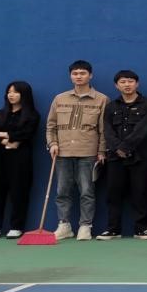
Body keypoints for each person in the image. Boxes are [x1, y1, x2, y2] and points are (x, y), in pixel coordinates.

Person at [46, 60, 108, 241]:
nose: (78, 76)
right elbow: (50, 126)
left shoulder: (102, 99)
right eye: (75, 73)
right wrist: (52, 143)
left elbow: (104, 130)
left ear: (90, 75)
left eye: (82, 73)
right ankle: (64, 225)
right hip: (62, 153)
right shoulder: (59, 98)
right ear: (70, 76)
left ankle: (85, 226)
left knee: (87, 191)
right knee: (62, 191)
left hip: (88, 153)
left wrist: (102, 151)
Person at [96, 70, 147, 240]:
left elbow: (145, 129)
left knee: (140, 192)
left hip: (140, 156)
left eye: (130, 81)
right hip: (115, 157)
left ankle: (142, 229)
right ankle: (113, 229)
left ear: (137, 84)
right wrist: (118, 148)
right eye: (123, 82)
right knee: (113, 193)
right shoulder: (111, 106)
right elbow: (107, 130)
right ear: (116, 85)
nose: (127, 85)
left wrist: (126, 147)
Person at [0, 81, 40, 239]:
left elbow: (26, 134)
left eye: (15, 92)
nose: (11, 95)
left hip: (20, 159)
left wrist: (5, 134)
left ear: (24, 95)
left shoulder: (32, 115)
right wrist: (8, 141)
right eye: (9, 92)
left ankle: (16, 226)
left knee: (19, 191)